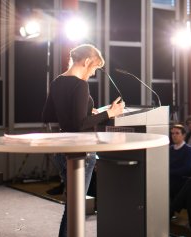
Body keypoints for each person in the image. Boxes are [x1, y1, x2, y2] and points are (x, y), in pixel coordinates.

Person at [41, 44, 125, 237]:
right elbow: (80, 124)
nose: (93, 73)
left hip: (61, 151)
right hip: (82, 152)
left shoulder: (56, 82)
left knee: (73, 203)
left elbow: (48, 115)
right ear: (87, 62)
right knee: (76, 205)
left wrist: (88, 113)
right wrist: (109, 112)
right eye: (94, 68)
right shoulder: (80, 84)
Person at [170, 124, 191, 200]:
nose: (174, 135)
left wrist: (168, 172)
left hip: (180, 179)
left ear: (184, 135)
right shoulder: (170, 148)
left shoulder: (188, 150)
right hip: (169, 177)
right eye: (172, 133)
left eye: (177, 133)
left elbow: (186, 169)